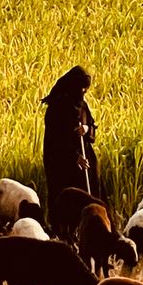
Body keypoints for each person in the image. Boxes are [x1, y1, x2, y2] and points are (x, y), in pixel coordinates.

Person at [41, 65, 103, 208]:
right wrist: (74, 157)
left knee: (90, 194)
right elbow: (55, 139)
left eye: (86, 89)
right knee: (67, 199)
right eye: (82, 88)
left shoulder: (82, 105)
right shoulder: (56, 107)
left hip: (85, 157)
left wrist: (86, 129)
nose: (84, 92)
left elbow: (92, 125)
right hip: (63, 162)